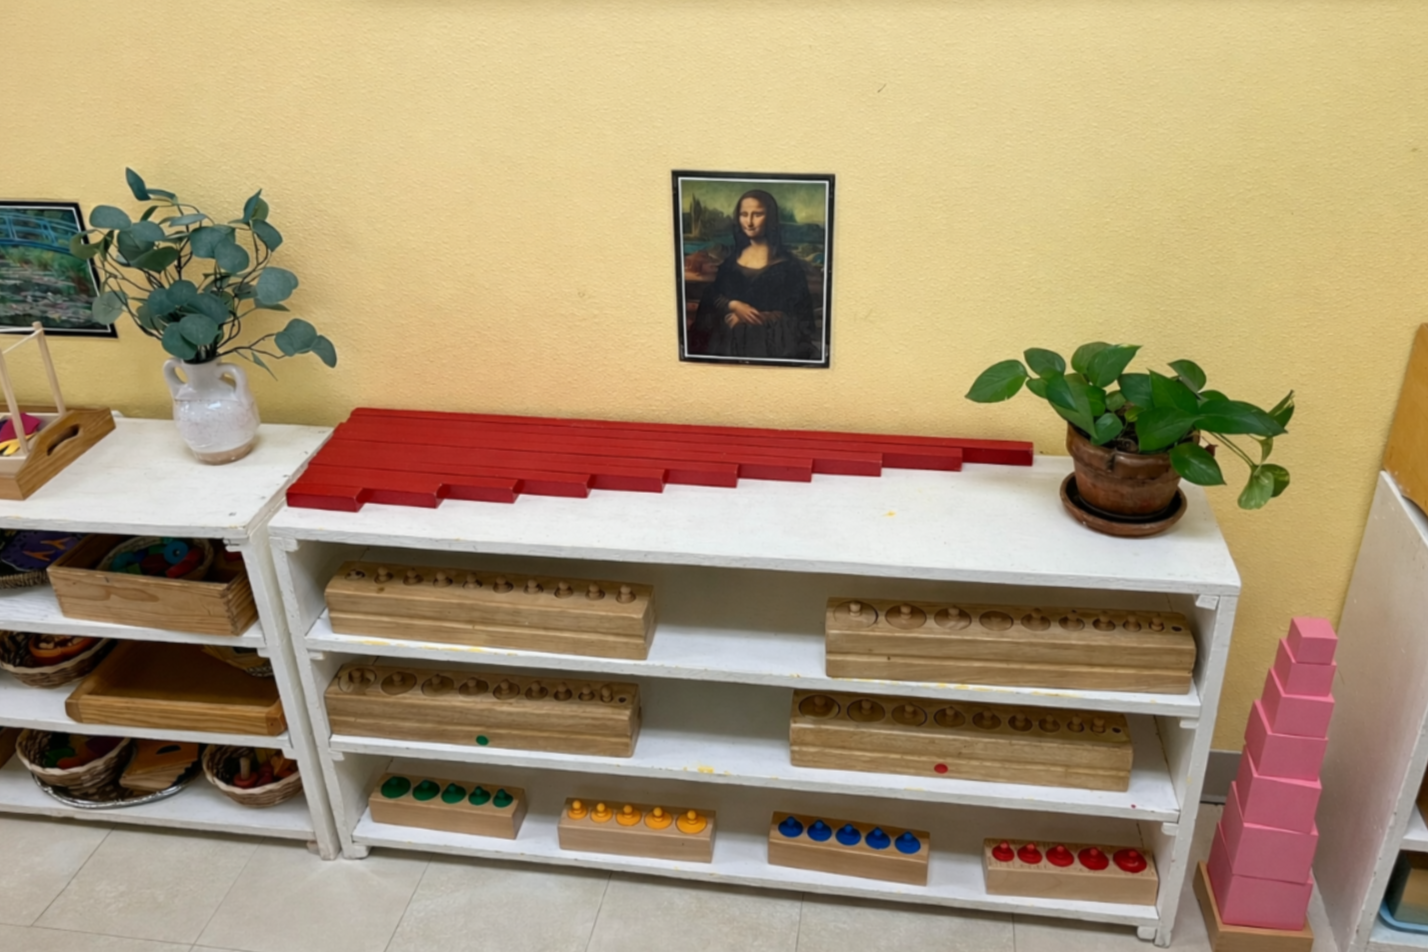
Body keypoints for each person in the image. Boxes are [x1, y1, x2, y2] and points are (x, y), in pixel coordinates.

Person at [690, 190, 816, 361]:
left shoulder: (788, 267)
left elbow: (800, 319)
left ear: (770, 217)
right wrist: (733, 305)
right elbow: (712, 295)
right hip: (724, 344)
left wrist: (755, 319)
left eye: (757, 214)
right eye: (744, 214)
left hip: (766, 349)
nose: (749, 222)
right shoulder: (732, 260)